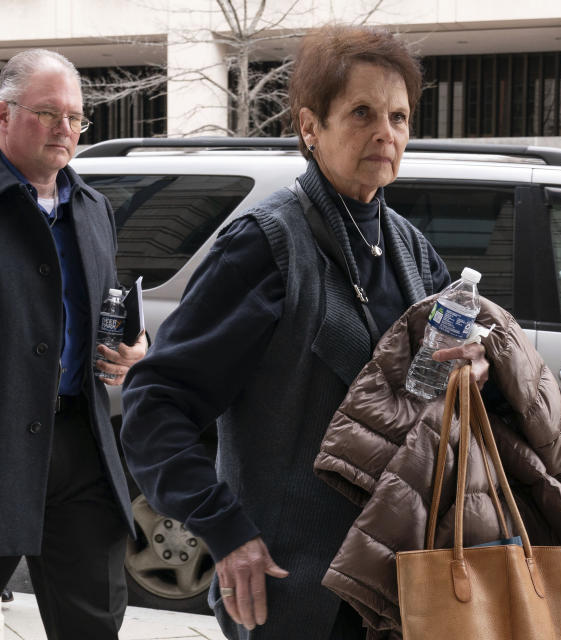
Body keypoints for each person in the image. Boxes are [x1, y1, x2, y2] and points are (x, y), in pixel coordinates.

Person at [120, 24, 487, 640]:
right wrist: (226, 532)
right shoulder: (264, 246)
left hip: (401, 579)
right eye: (363, 112)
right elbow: (155, 407)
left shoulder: (410, 248)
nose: (385, 133)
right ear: (310, 127)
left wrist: (470, 371)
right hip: (296, 590)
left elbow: (429, 391)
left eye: (399, 116)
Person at [0, 49, 147, 639]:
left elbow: (108, 305)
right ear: (3, 115)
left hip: (81, 445)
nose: (66, 130)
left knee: (93, 621)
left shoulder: (92, 209)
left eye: (76, 118)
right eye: (48, 114)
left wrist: (135, 348)